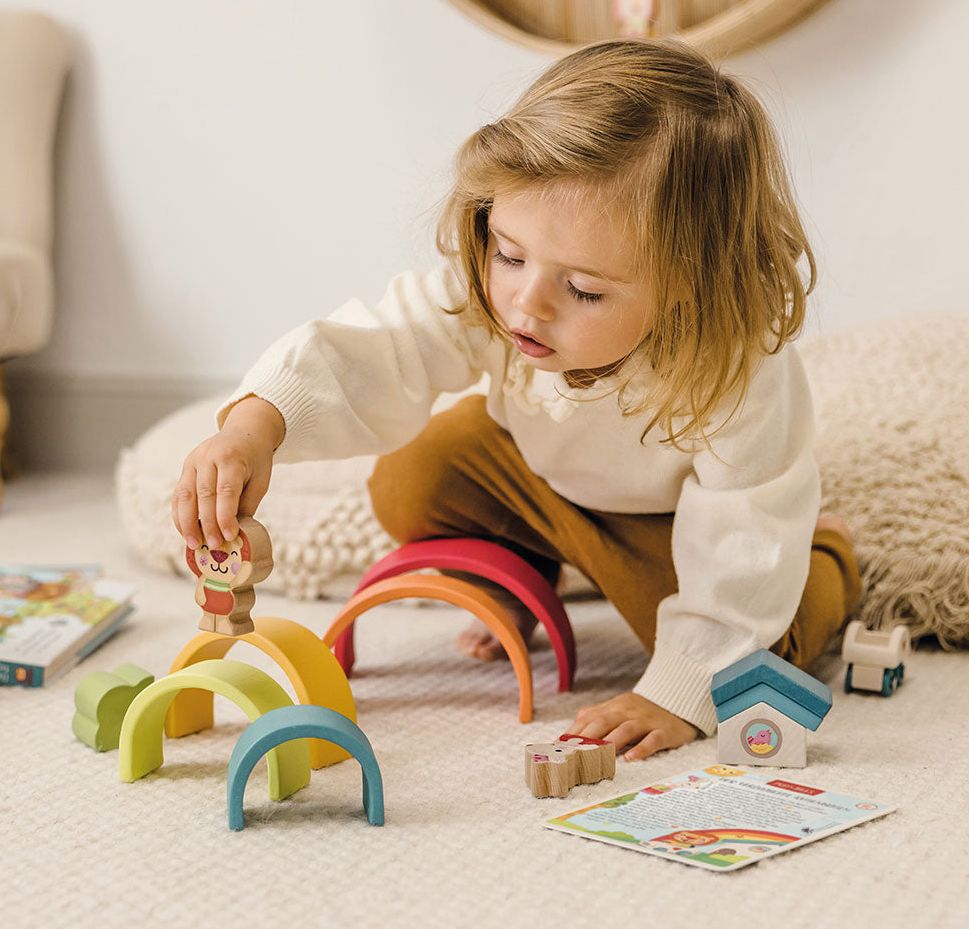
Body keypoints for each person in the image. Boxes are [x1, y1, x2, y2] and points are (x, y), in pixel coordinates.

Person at [172, 39, 860, 763]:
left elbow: (742, 539)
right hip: (533, 475)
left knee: (755, 646)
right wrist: (258, 425)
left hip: (663, 523)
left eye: (585, 290)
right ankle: (529, 565)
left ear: (691, 281)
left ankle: (831, 552)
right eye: (509, 253)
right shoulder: (494, 294)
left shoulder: (736, 370)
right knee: (415, 475)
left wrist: (677, 691)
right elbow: (382, 347)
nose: (525, 303)